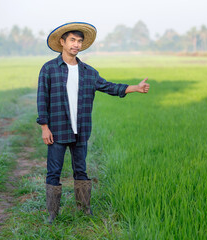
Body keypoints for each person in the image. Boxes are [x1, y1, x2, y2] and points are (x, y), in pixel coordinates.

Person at [37, 22, 150, 224]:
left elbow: (109, 87)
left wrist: (135, 88)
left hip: (81, 131)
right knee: (53, 171)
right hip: (57, 131)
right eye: (72, 40)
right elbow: (42, 99)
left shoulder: (89, 72)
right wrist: (44, 127)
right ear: (62, 42)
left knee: (81, 170)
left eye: (79, 41)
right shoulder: (49, 69)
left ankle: (84, 209)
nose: (76, 45)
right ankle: (53, 213)